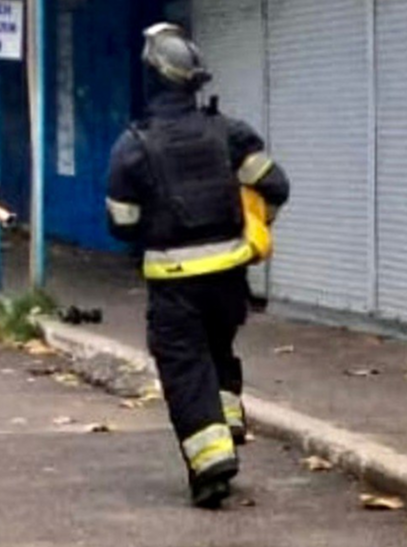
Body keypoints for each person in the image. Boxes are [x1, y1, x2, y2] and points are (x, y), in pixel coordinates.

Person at [105, 23, 290, 509]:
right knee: (218, 351)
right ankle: (226, 425)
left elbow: (121, 224)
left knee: (186, 366)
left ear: (151, 78)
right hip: (230, 279)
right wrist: (256, 223)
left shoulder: (132, 146)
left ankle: (210, 465)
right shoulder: (227, 132)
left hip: (174, 284)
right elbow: (276, 185)